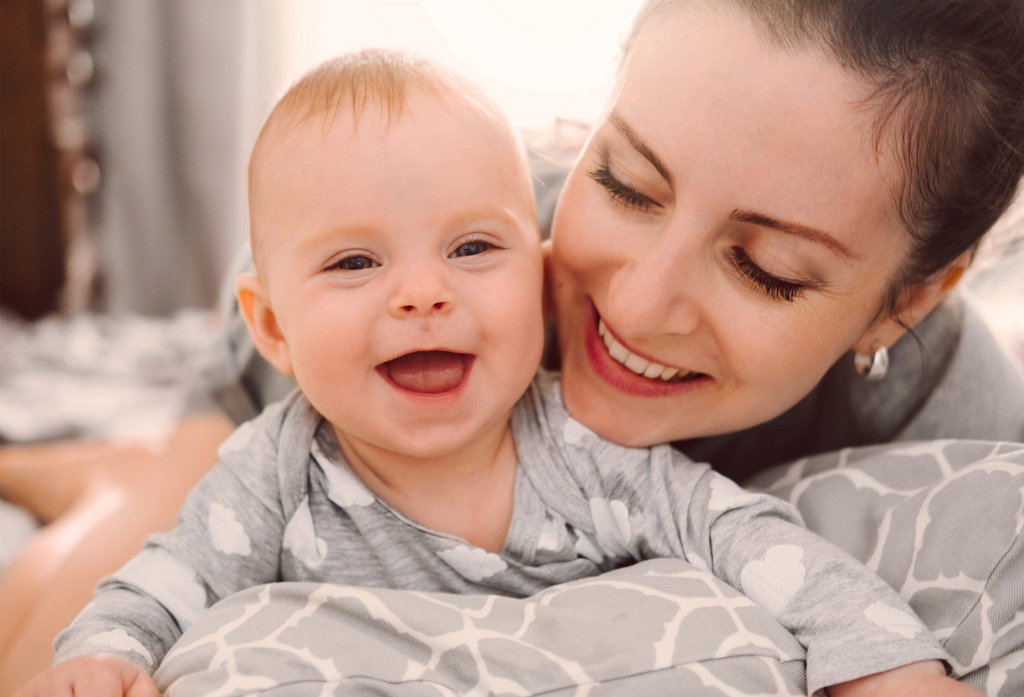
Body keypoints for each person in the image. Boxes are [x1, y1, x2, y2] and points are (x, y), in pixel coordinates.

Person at [3, 0, 1024, 691]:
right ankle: (95, 472)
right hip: (297, 375)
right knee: (102, 561)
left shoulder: (956, 423)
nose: (636, 300)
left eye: (765, 265)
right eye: (624, 178)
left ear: (910, 298)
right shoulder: (457, 268)